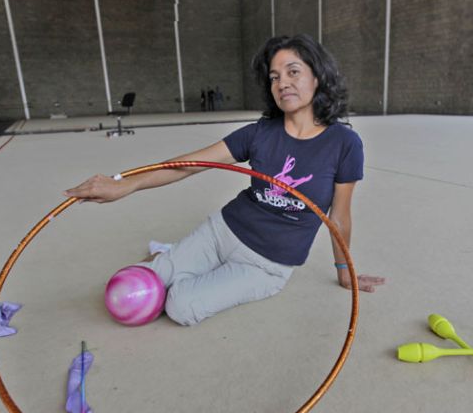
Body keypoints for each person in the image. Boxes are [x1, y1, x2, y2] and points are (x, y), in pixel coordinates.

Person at [65, 34, 385, 326]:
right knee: (132, 285)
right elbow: (188, 165)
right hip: (223, 232)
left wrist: (344, 271)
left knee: (180, 306)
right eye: (274, 77)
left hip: (266, 264)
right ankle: (170, 259)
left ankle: (174, 259)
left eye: (293, 72)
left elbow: (339, 217)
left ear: (318, 76)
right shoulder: (259, 133)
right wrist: (126, 184)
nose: (282, 83)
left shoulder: (344, 143)